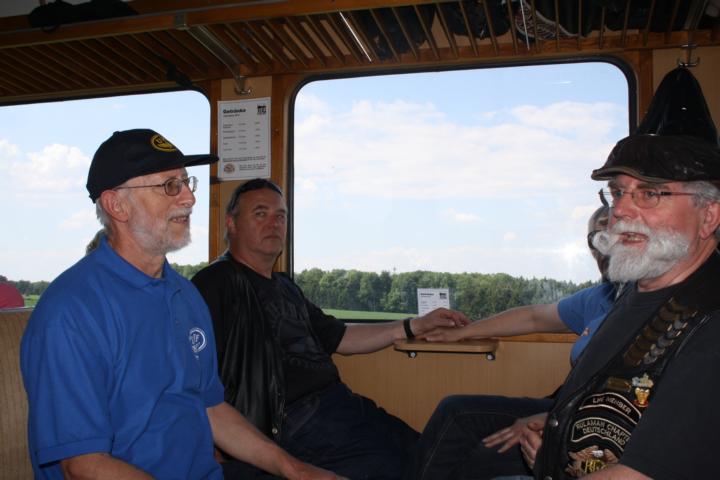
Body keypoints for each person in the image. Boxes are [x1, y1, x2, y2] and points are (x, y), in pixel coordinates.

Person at [21, 129, 341, 480]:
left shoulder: (184, 295)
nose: (189, 198)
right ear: (116, 205)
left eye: (187, 182)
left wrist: (296, 470)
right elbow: (83, 465)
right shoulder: (72, 311)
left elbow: (211, 408)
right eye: (170, 186)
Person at [191, 178, 470, 480]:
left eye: (281, 216)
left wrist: (414, 325)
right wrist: (214, 442)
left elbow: (341, 337)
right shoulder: (217, 282)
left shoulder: (285, 286)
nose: (274, 223)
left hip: (337, 403)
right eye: (260, 214)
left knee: (428, 449)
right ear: (231, 223)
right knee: (403, 466)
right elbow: (194, 374)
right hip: (290, 419)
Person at [406, 205, 617, 480]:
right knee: (454, 410)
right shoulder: (602, 296)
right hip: (566, 406)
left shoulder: (649, 309)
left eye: (611, 235)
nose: (603, 248)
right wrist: (462, 333)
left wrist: (554, 420)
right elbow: (533, 318)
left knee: (477, 457)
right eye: (595, 239)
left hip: (598, 421)